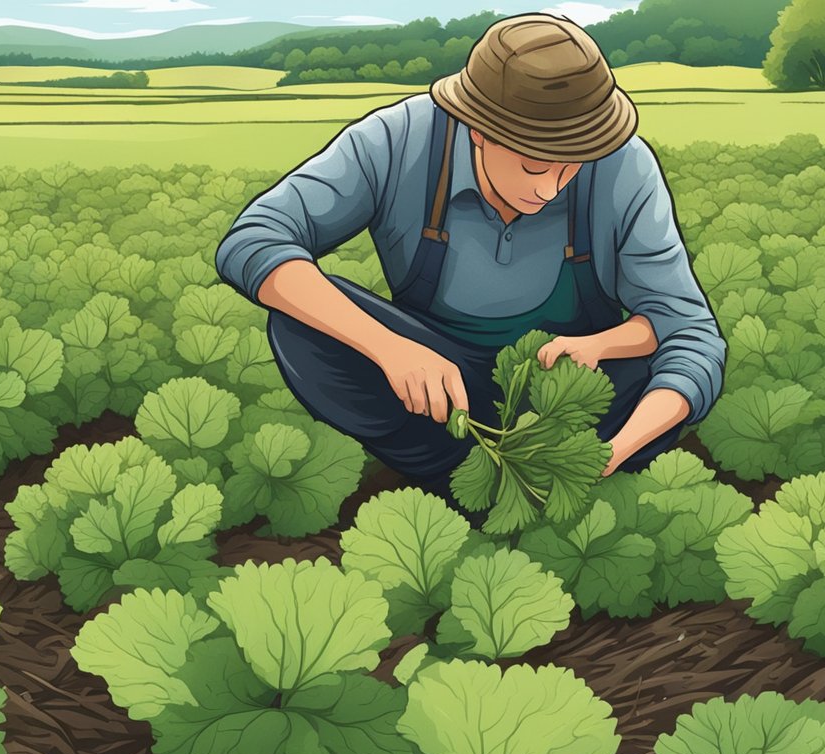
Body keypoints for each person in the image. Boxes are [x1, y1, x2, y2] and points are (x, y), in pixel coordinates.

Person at [214, 12, 725, 511]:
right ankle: (455, 477)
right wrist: (391, 348)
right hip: (440, 389)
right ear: (478, 129)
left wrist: (609, 451)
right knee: (303, 327)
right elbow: (256, 238)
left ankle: (548, 476)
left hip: (568, 396)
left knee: (661, 375)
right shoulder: (398, 141)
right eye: (534, 165)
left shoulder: (621, 162)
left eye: (573, 166)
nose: (551, 188)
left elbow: (688, 330)